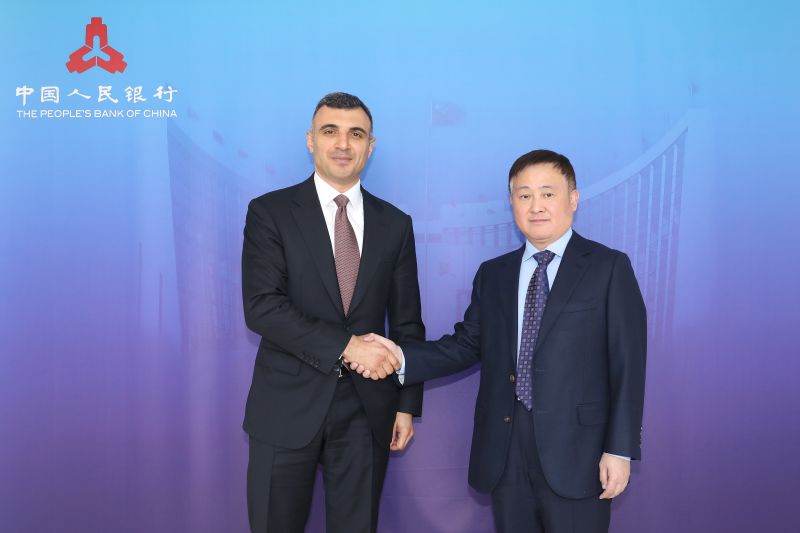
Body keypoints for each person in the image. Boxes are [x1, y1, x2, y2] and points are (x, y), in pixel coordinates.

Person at [359, 149, 646, 532]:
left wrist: (620, 449)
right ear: (512, 203)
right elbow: (465, 345)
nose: (536, 206)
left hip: (581, 454)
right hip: (505, 452)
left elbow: (628, 364)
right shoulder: (493, 274)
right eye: (524, 195)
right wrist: (399, 357)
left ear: (573, 198)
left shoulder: (608, 267)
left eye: (548, 193)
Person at [241, 92, 425, 533]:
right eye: (330, 131)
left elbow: (407, 322)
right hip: (285, 405)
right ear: (311, 140)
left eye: (356, 134)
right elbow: (263, 307)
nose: (343, 144)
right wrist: (347, 346)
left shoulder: (395, 223)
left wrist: (406, 405)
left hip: (367, 410)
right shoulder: (270, 212)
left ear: (370, 146)